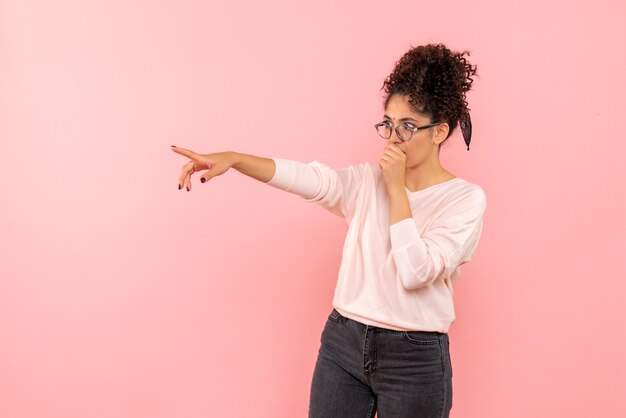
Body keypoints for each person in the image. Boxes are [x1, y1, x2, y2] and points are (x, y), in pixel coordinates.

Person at [171, 43, 485, 418]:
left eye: (407, 127)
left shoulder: (464, 200)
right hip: (344, 344)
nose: (392, 138)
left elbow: (416, 271)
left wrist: (396, 188)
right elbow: (310, 179)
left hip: (414, 358)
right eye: (388, 124)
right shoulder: (367, 182)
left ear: (439, 132)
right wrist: (237, 159)